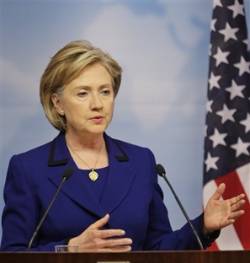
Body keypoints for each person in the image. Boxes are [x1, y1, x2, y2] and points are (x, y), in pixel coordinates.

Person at [0, 40, 245, 252]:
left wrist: (203, 226)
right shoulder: (28, 168)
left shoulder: (141, 161)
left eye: (105, 92)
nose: (97, 104)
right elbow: (12, 257)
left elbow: (158, 248)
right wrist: (69, 248)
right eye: (83, 93)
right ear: (58, 104)